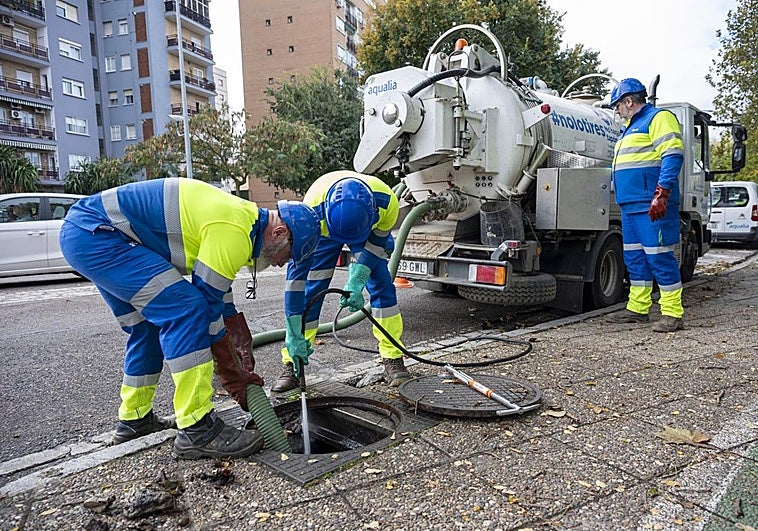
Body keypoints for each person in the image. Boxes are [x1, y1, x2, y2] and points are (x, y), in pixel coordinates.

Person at [59, 178, 320, 459]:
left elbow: (219, 297)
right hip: (101, 236)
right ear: (279, 232)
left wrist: (234, 339)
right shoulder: (234, 230)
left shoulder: (241, 222)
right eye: (289, 255)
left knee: (148, 327)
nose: (283, 263)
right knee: (186, 309)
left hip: (89, 235)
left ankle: (134, 419)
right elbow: (207, 306)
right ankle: (197, 429)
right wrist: (233, 374)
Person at [271, 170, 412, 392]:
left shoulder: (387, 203)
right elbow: (296, 280)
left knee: (382, 285)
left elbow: (374, 248)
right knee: (311, 291)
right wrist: (293, 330)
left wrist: (356, 282)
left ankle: (392, 358)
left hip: (364, 231)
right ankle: (293, 361)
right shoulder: (310, 213)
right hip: (323, 232)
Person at [608, 78, 685, 332]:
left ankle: (672, 313)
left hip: (651, 204)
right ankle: (638, 309)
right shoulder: (629, 128)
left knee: (659, 257)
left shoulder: (658, 118)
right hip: (631, 206)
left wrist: (661, 193)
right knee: (635, 258)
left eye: (617, 105)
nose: (617, 111)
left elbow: (672, 155)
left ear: (628, 101)